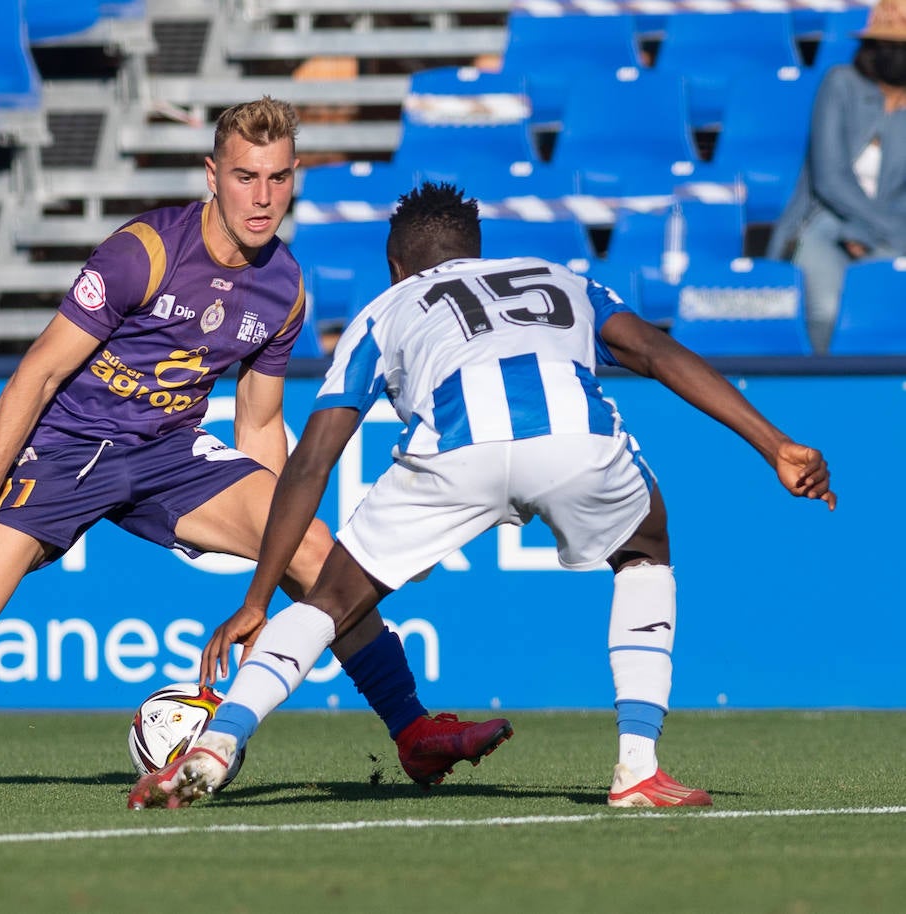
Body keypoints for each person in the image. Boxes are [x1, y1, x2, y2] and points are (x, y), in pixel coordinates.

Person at [0, 99, 513, 786]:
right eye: (245, 176)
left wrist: (271, 555)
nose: (262, 196)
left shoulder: (284, 285)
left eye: (277, 179)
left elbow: (256, 424)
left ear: (295, 176)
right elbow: (36, 376)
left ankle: (413, 732)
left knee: (315, 555)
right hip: (69, 447)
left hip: (170, 455)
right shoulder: (144, 251)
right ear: (212, 174)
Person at [129, 182, 836, 811]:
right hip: (575, 442)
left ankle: (217, 746)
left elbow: (314, 459)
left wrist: (258, 597)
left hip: (454, 452)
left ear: (395, 265)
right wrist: (774, 443)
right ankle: (638, 768)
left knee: (330, 602)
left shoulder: (384, 309)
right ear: (478, 249)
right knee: (644, 546)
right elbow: (656, 353)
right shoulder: (562, 278)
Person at [769, 0, 906, 354]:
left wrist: (876, 232)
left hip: (893, 230)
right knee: (826, 309)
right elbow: (829, 178)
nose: (896, 54)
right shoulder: (841, 83)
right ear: (871, 47)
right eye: (888, 45)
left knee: (884, 308)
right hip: (824, 222)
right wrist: (870, 230)